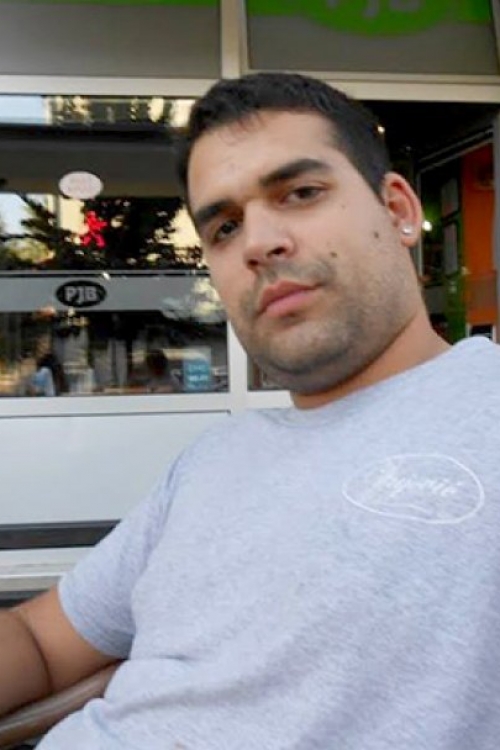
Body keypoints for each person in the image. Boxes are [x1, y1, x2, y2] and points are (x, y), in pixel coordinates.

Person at [1, 72, 499, 750]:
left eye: (301, 192)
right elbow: (38, 640)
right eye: (225, 226)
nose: (258, 243)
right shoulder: (211, 462)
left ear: (398, 211)